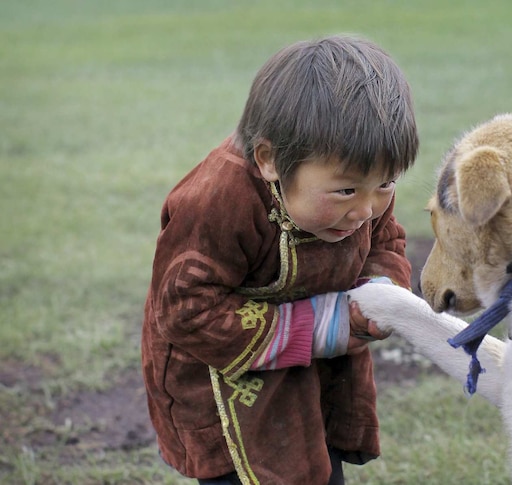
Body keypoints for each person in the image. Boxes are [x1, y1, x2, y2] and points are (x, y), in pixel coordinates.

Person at [140, 35, 418, 485]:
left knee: (320, 465)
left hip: (314, 377)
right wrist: (322, 326)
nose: (367, 210)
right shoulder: (217, 201)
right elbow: (184, 308)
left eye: (386, 184)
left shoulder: (363, 190)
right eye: (346, 190)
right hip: (227, 385)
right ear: (270, 160)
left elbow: (387, 243)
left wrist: (380, 295)